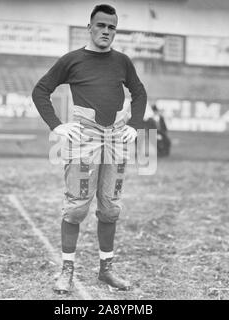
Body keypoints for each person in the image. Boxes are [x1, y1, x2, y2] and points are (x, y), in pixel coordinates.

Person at [32, 4, 147, 293]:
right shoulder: (72, 60)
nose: (106, 31)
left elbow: (140, 92)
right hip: (85, 139)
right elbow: (40, 90)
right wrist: (56, 125)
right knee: (76, 208)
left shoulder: (122, 61)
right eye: (101, 25)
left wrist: (134, 124)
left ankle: (106, 270)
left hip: (116, 139)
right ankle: (67, 270)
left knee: (110, 208)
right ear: (90, 27)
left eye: (112, 27)